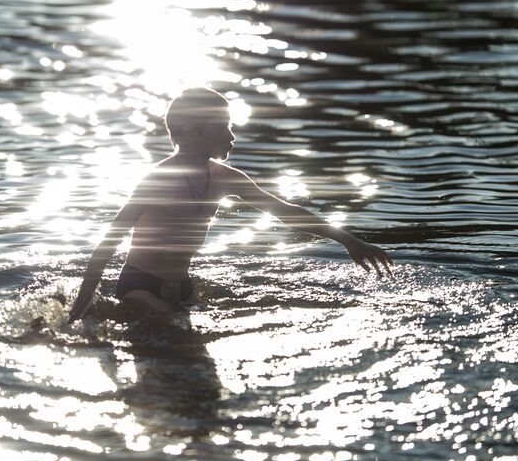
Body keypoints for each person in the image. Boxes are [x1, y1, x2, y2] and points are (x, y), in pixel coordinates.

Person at [68, 87, 392, 321]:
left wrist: (348, 240)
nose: (232, 136)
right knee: (177, 345)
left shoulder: (224, 178)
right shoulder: (157, 180)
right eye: (223, 126)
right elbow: (107, 244)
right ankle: (102, 313)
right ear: (192, 131)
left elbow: (284, 211)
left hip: (181, 286)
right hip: (140, 285)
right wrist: (76, 314)